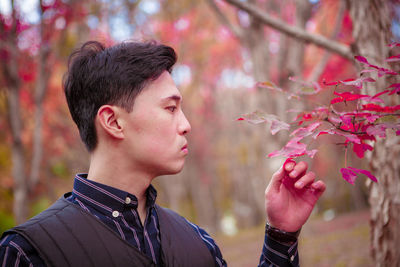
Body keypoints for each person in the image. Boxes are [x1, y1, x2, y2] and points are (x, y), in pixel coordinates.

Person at [0, 40, 326, 267]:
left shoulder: (197, 242)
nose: (185, 125)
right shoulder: (29, 252)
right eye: (170, 108)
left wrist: (280, 236)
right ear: (113, 121)